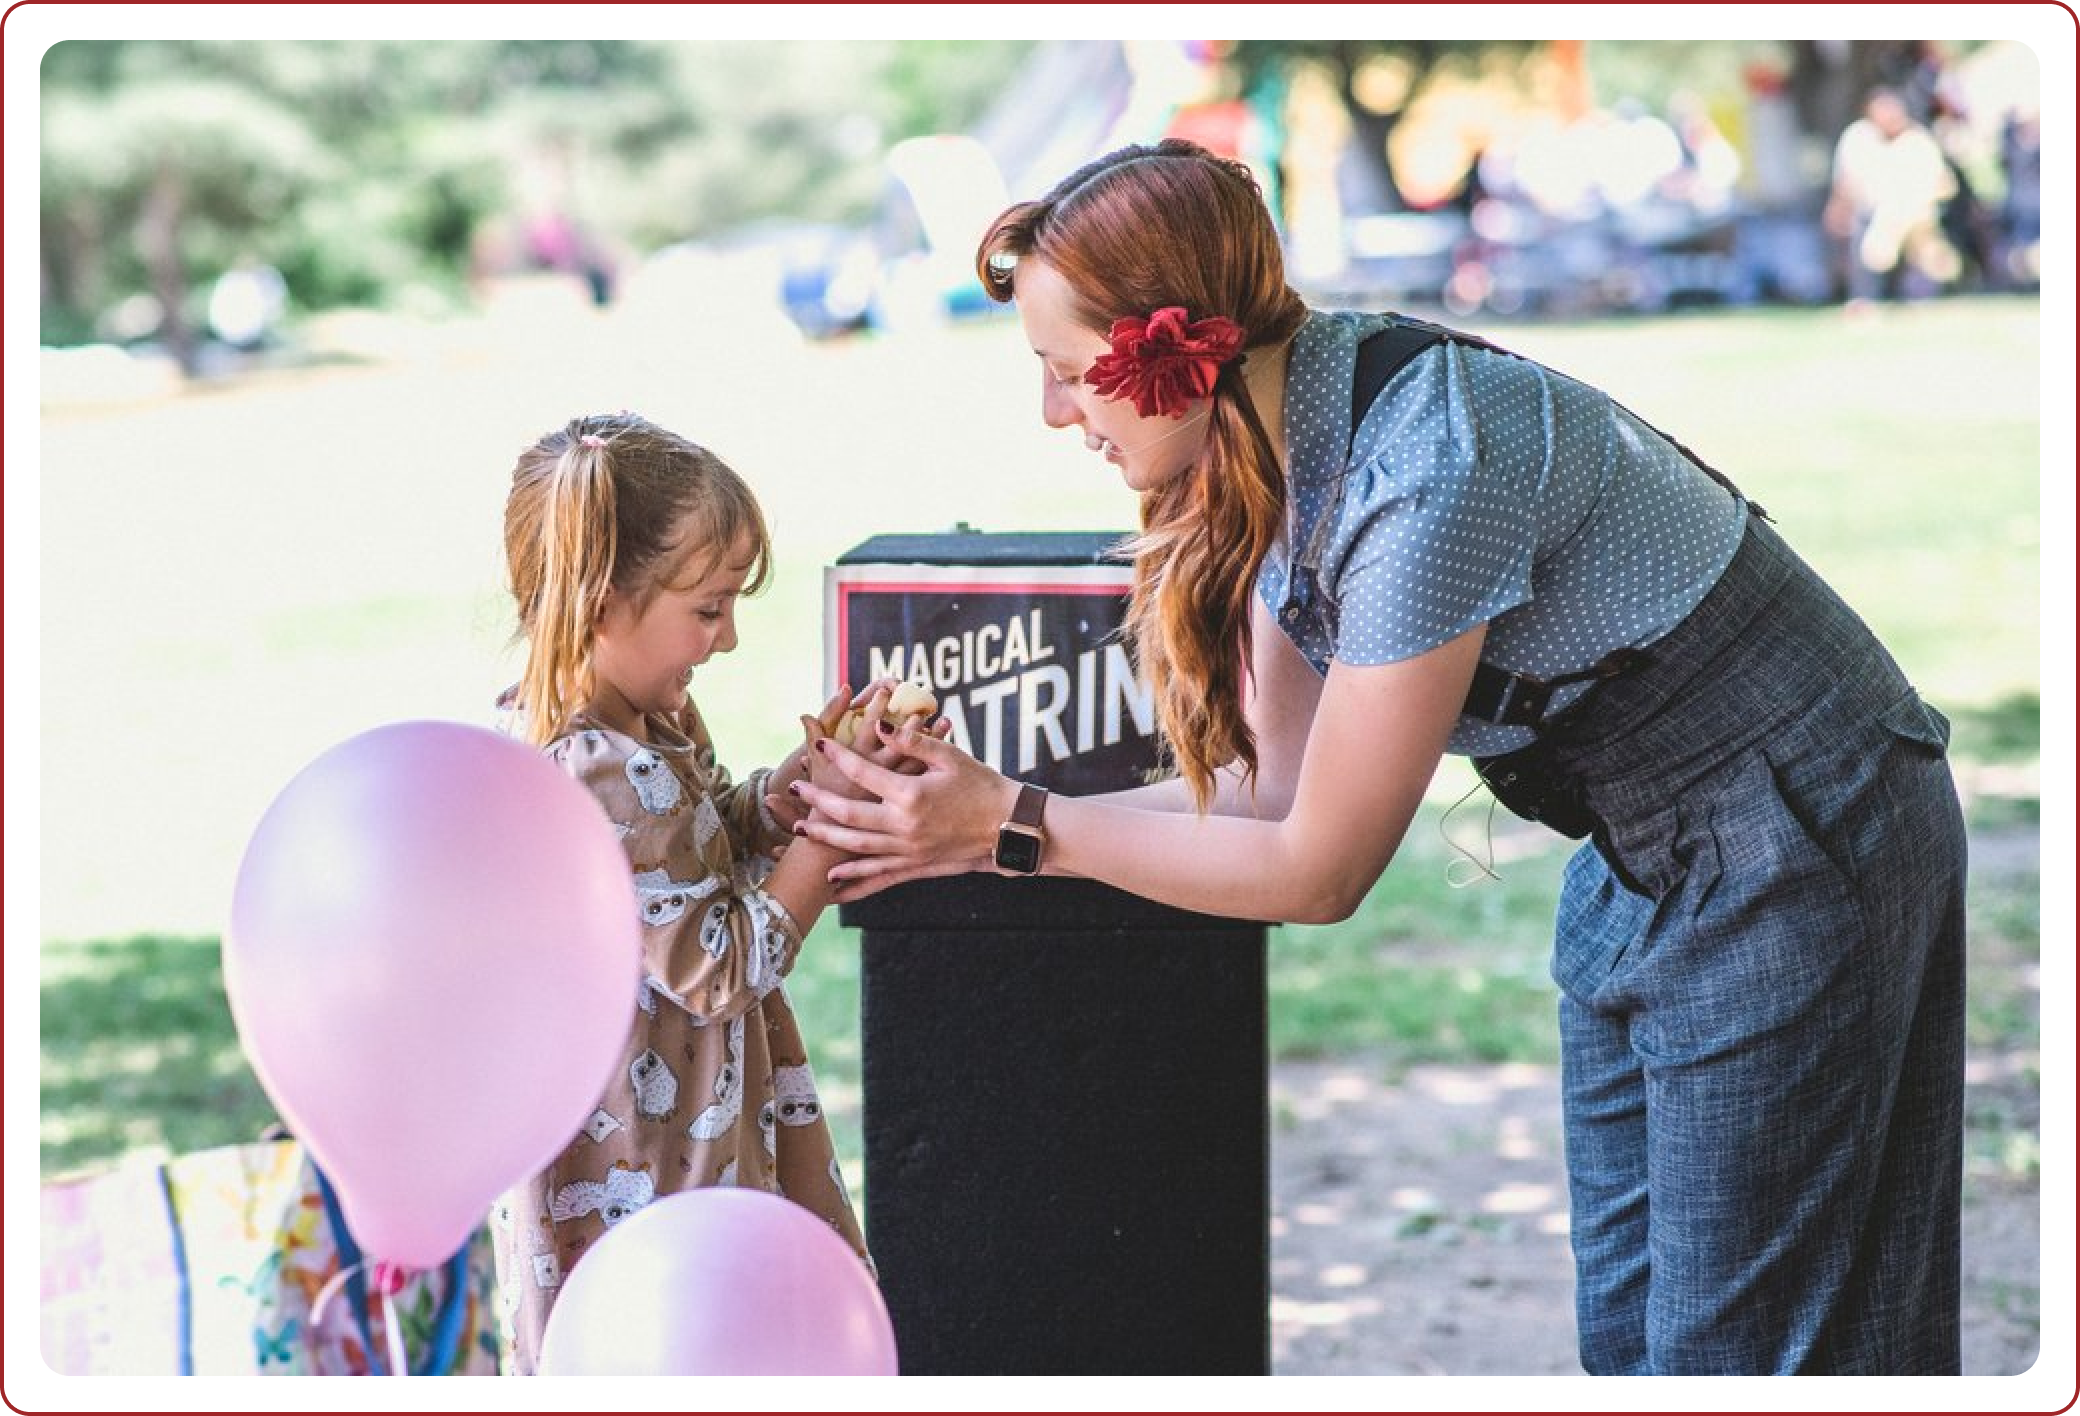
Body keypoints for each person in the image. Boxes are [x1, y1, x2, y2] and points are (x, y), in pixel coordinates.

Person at [793, 140, 1967, 1375]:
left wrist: (1012, 825)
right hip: (1649, 852)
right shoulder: (1284, 435)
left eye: (1066, 372)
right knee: (1636, 1337)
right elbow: (1264, 791)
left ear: (1172, 349)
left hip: (1794, 828)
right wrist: (961, 816)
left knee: (1747, 1355)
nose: (1052, 413)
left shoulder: (1425, 467)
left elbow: (1319, 868)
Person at [488, 411, 922, 1373]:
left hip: (696, 1112)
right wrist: (827, 834)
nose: (725, 640)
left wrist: (792, 789)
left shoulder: (644, 718)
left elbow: (698, 841)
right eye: (710, 608)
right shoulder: (591, 765)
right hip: (646, 1156)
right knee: (686, 1340)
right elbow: (717, 964)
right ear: (604, 603)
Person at [1825, 86, 1961, 304]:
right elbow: (1845, 181)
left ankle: (1925, 297)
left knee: (1925, 256)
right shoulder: (1858, 138)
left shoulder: (1916, 140)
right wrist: (1838, 209)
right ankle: (1865, 300)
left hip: (1914, 211)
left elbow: (1942, 183)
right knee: (1870, 252)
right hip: (1870, 210)